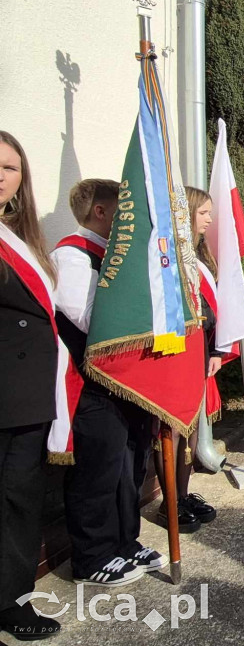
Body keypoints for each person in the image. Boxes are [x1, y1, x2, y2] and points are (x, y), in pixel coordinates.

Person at [53, 179, 164, 588]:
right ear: (100, 212)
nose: (132, 224)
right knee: (98, 471)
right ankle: (91, 555)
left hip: (131, 383)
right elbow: (91, 319)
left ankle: (124, 540)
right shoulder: (71, 256)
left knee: (130, 465)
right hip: (93, 386)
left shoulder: (113, 255)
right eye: (124, 212)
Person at [0, 132, 62, 640]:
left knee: (19, 503)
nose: (1, 174)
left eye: (11, 167)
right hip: (5, 392)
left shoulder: (20, 237)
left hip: (28, 395)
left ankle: (11, 601)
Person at [153, 187, 223, 534]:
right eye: (204, 213)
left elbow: (206, 308)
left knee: (193, 430)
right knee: (172, 431)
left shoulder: (198, 253)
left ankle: (181, 494)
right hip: (174, 354)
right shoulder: (167, 254)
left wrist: (214, 351)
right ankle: (169, 502)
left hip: (199, 352)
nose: (210, 219)